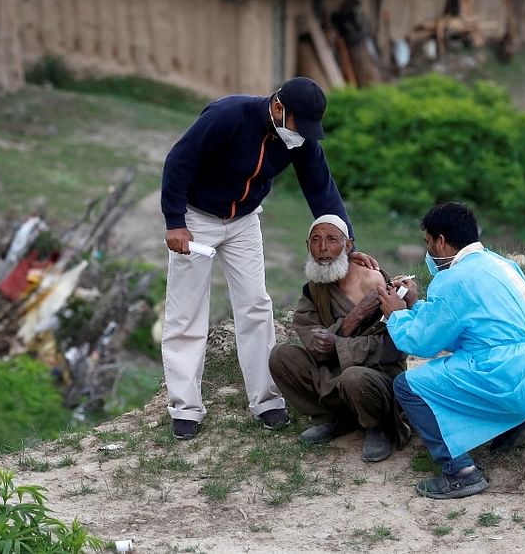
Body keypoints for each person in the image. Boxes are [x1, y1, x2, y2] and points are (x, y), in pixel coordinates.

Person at [160, 77, 376, 441]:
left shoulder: (300, 138)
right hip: (198, 219)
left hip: (244, 220)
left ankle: (267, 400)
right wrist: (175, 222)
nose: (302, 134)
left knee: (256, 305)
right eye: (299, 124)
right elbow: (179, 161)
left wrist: (347, 243)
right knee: (186, 311)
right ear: (277, 107)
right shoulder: (227, 115)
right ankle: (185, 408)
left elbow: (320, 187)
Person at [378, 202, 525, 499]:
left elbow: (422, 343)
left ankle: (460, 472)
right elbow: (465, 328)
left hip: (510, 380)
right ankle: (512, 427)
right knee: (469, 361)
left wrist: (395, 314)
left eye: (428, 244)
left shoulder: (453, 279)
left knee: (408, 386)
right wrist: (416, 305)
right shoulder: (502, 264)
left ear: (441, 241)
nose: (429, 253)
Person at [269, 215, 410, 462]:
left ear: (348, 245)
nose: (323, 248)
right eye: (316, 240)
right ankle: (336, 418)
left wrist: (340, 344)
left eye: (332, 240)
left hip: (373, 375)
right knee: (282, 356)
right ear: (307, 246)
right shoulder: (314, 288)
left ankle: (377, 426)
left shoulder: (373, 282)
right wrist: (351, 320)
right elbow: (314, 343)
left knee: (354, 376)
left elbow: (395, 347)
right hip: (335, 370)